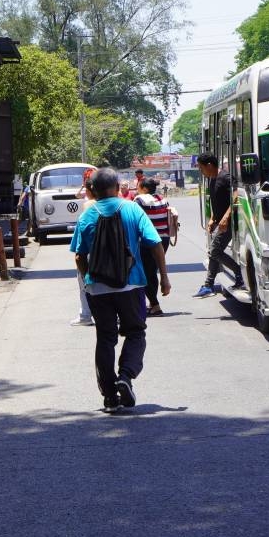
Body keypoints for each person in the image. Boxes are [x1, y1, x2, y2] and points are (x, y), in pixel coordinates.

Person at [70, 168, 171, 413]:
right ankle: (125, 376)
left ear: (92, 190)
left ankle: (109, 397)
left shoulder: (87, 215)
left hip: (98, 288)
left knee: (105, 339)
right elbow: (155, 244)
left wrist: (88, 283)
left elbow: (79, 256)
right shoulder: (132, 209)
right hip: (132, 285)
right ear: (117, 187)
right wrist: (164, 278)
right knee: (136, 333)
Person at [194, 152, 244, 297]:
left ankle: (238, 273)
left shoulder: (225, 177)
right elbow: (217, 202)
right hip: (220, 222)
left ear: (209, 165)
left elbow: (235, 195)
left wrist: (226, 217)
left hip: (229, 223)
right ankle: (208, 285)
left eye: (201, 168)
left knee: (215, 251)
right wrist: (213, 218)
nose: (201, 171)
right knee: (213, 252)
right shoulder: (212, 179)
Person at [134, 177, 171, 316]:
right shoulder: (162, 199)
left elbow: (135, 219)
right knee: (152, 270)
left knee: (147, 272)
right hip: (164, 240)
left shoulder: (140, 200)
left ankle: (155, 305)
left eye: (138, 186)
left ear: (144, 188)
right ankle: (153, 303)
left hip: (148, 241)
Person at [71, 169, 97, 326]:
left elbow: (79, 253)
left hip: (90, 253)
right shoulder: (122, 206)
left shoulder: (87, 211)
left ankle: (86, 315)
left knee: (85, 285)